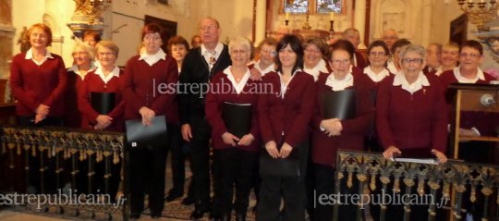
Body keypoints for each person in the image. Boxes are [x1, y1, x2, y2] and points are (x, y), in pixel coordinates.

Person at [376, 44, 448, 221]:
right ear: (400, 62)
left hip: (425, 153)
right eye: (407, 60)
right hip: (395, 153)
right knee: (394, 203)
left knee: (421, 203)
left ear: (423, 63)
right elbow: (381, 118)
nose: (411, 64)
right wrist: (389, 144)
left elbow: (440, 120)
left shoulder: (434, 85)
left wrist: (438, 148)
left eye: (416, 60)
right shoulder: (387, 84)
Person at [311, 36, 374, 221]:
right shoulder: (319, 84)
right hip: (323, 149)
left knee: (348, 199)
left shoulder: (360, 84)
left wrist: (342, 126)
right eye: (337, 61)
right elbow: (311, 114)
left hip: (350, 151)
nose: (341, 65)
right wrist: (322, 123)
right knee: (323, 197)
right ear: (329, 63)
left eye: (345, 60)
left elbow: (367, 117)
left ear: (351, 62)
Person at [121, 23, 179, 219]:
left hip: (159, 121)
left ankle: (156, 207)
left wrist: (153, 110)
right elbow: (126, 88)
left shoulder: (169, 62)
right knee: (136, 165)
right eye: (148, 37)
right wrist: (141, 108)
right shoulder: (133, 62)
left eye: (155, 37)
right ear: (143, 40)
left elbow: (171, 89)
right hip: (136, 120)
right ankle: (136, 206)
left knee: (157, 166)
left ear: (162, 41)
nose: (151, 41)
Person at [256, 34, 315, 221]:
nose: (285, 54)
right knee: (269, 189)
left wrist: (290, 142)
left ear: (298, 54)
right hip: (271, 143)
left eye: (290, 50)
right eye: (282, 50)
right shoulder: (269, 78)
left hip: (295, 143)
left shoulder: (307, 80)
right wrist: (269, 140)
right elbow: (262, 111)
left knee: (294, 190)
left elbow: (305, 113)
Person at [178, 17, 232, 220]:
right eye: (203, 28)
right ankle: (201, 203)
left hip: (223, 118)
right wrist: (185, 121)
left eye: (210, 27)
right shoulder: (191, 57)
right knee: (198, 164)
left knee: (221, 164)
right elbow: (183, 91)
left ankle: (219, 206)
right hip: (197, 117)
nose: (206, 31)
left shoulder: (230, 54)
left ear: (218, 30)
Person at [205, 37, 261, 221]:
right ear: (230, 54)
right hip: (224, 138)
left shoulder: (257, 79)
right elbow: (211, 108)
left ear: (249, 55)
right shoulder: (219, 77)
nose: (239, 55)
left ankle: (241, 211)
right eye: (235, 51)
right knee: (224, 179)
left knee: (244, 180)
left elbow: (262, 111)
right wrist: (223, 132)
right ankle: (225, 211)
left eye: (243, 51)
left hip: (248, 140)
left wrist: (252, 134)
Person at [10, 23, 67, 194]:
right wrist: (35, 107)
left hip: (52, 113)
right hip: (27, 113)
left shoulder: (56, 60)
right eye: (35, 34)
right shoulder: (19, 59)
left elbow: (62, 84)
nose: (38, 38)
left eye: (42, 35)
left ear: (48, 38)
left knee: (52, 152)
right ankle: (34, 186)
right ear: (29, 37)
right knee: (32, 152)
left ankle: (52, 188)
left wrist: (44, 106)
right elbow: (15, 85)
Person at [78, 40, 124, 199]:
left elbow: (126, 101)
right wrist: (97, 118)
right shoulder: (89, 77)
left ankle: (110, 194)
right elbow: (82, 102)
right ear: (97, 56)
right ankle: (92, 193)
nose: (105, 56)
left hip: (114, 127)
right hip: (92, 127)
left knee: (113, 163)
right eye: (102, 53)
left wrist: (108, 119)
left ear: (116, 56)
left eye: (109, 53)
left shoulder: (123, 76)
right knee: (92, 162)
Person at [164, 35, 195, 204]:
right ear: (170, 51)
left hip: (188, 118)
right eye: (175, 49)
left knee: (190, 155)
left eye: (181, 48)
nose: (178, 51)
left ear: (187, 50)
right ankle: (177, 188)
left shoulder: (191, 67)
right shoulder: (168, 68)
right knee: (176, 156)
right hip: (172, 118)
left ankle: (193, 191)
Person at [363, 40, 391, 153]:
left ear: (386, 57)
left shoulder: (394, 79)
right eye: (373, 53)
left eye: (380, 53)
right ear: (368, 56)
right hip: (361, 131)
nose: (376, 56)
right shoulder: (357, 77)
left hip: (384, 132)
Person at [65, 42, 96, 128]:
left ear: (90, 55)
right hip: (72, 119)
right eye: (75, 53)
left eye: (82, 53)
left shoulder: (98, 73)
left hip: (93, 118)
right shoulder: (67, 74)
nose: (78, 56)